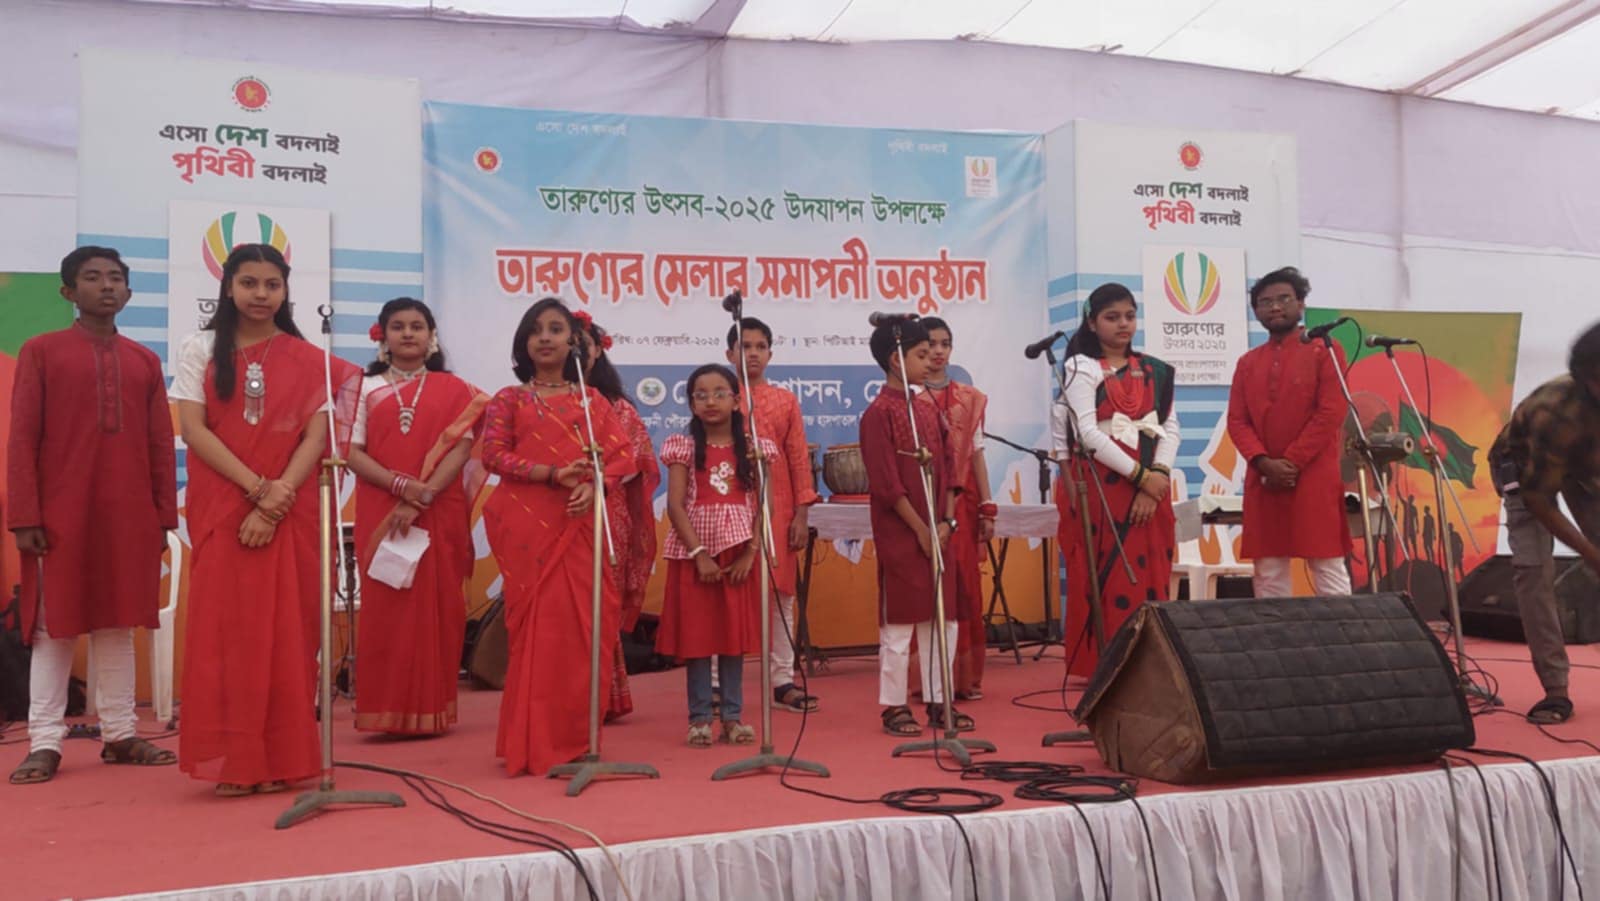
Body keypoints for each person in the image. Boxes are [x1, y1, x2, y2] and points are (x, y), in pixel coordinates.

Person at [172, 243, 361, 797]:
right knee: (229, 637)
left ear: (285, 291)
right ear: (228, 286)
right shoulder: (200, 347)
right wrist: (256, 492)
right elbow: (194, 431)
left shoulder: (309, 359)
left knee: (290, 635)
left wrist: (276, 500)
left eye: (271, 285)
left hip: (294, 509)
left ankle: (282, 756)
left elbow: (317, 436)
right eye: (249, 283)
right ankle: (237, 760)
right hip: (224, 508)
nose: (260, 294)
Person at [7, 246, 179, 784]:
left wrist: (162, 518)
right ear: (67, 292)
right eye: (92, 278)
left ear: (129, 293)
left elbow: (158, 444)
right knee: (51, 628)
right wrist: (25, 515)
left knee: (116, 623)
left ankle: (121, 734)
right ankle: (44, 741)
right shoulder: (40, 351)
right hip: (58, 512)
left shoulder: (145, 361)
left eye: (116, 278)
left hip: (127, 514)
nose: (106, 286)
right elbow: (21, 439)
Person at [481, 298, 633, 776]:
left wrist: (594, 484)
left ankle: (577, 741)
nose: (545, 337)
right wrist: (551, 474)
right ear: (524, 343)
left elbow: (623, 457)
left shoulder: (593, 403)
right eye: (536, 330)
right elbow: (493, 456)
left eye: (555, 329)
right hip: (528, 528)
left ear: (573, 342)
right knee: (537, 635)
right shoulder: (509, 399)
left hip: (580, 524)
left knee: (583, 631)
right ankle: (534, 742)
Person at [346, 298, 486, 736]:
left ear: (431, 336)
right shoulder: (361, 387)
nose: (408, 334)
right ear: (381, 336)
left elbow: (461, 449)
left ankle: (431, 711)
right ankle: (386, 711)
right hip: (382, 507)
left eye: (417, 326)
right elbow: (349, 451)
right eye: (398, 326)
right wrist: (402, 488)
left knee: (438, 607)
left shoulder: (456, 389)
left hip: (438, 510)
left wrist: (421, 497)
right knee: (389, 605)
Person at [1050, 284, 1179, 677]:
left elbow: (1170, 427)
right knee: (1110, 575)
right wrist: (1139, 475)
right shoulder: (1080, 368)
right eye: (1112, 317)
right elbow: (1087, 434)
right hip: (1101, 484)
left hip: (1150, 484)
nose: (1123, 324)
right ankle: (1108, 668)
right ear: (1092, 323)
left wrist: (1155, 477)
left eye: (1129, 315)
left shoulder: (1154, 369)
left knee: (1151, 569)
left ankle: (1149, 665)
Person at [860, 317, 971, 737]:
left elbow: (948, 467)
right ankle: (893, 706)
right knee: (900, 623)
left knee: (944, 620)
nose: (932, 361)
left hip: (938, 532)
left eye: (933, 354)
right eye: (921, 355)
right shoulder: (877, 415)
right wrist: (920, 530)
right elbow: (887, 484)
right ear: (895, 359)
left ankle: (939, 701)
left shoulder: (927, 409)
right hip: (901, 535)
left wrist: (945, 521)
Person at [656, 364, 775, 747]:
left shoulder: (754, 446)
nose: (710, 401)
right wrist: (699, 554)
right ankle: (700, 718)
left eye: (720, 392)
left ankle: (734, 718)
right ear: (691, 403)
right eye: (701, 394)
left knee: (731, 638)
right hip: (694, 554)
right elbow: (676, 505)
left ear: (737, 400)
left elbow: (764, 504)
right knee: (697, 639)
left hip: (739, 552)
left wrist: (751, 553)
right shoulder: (684, 446)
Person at [1488, 321, 1600, 724]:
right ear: (1589, 380)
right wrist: (1589, 554)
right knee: (1533, 569)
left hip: (1586, 468)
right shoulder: (1554, 410)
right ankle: (1555, 691)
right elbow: (1539, 497)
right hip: (1525, 468)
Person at [1226, 267, 1352, 597]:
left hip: (1313, 474)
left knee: (1326, 562)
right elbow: (1237, 422)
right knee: (1268, 567)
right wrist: (1264, 462)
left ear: (1301, 304)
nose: (1275, 307)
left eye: (1284, 299)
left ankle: (1344, 643)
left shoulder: (1325, 350)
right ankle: (1272, 642)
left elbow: (1331, 412)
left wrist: (1291, 462)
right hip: (1264, 477)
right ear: (1256, 312)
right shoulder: (1247, 362)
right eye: (1265, 302)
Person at [726, 318, 820, 713]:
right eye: (744, 346)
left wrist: (800, 515)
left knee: (782, 597)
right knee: (727, 596)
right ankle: (719, 685)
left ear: (770, 353)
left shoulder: (785, 400)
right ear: (729, 353)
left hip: (779, 507)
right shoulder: (720, 396)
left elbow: (799, 458)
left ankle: (782, 680)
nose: (752, 353)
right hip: (728, 509)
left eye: (760, 346)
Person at [580, 317, 659, 722]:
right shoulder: (537, 399)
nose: (575, 350)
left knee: (601, 605)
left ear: (598, 350)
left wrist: (593, 479)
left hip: (608, 513)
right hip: (554, 511)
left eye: (584, 344)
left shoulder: (617, 407)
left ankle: (603, 696)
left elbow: (636, 462)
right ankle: (563, 696)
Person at [913, 316, 996, 700]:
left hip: (963, 504)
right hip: (922, 503)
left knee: (963, 586)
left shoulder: (969, 398)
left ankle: (963, 678)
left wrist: (988, 506)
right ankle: (929, 681)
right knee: (926, 587)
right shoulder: (909, 399)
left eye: (945, 343)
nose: (937, 352)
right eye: (929, 344)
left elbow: (977, 452)